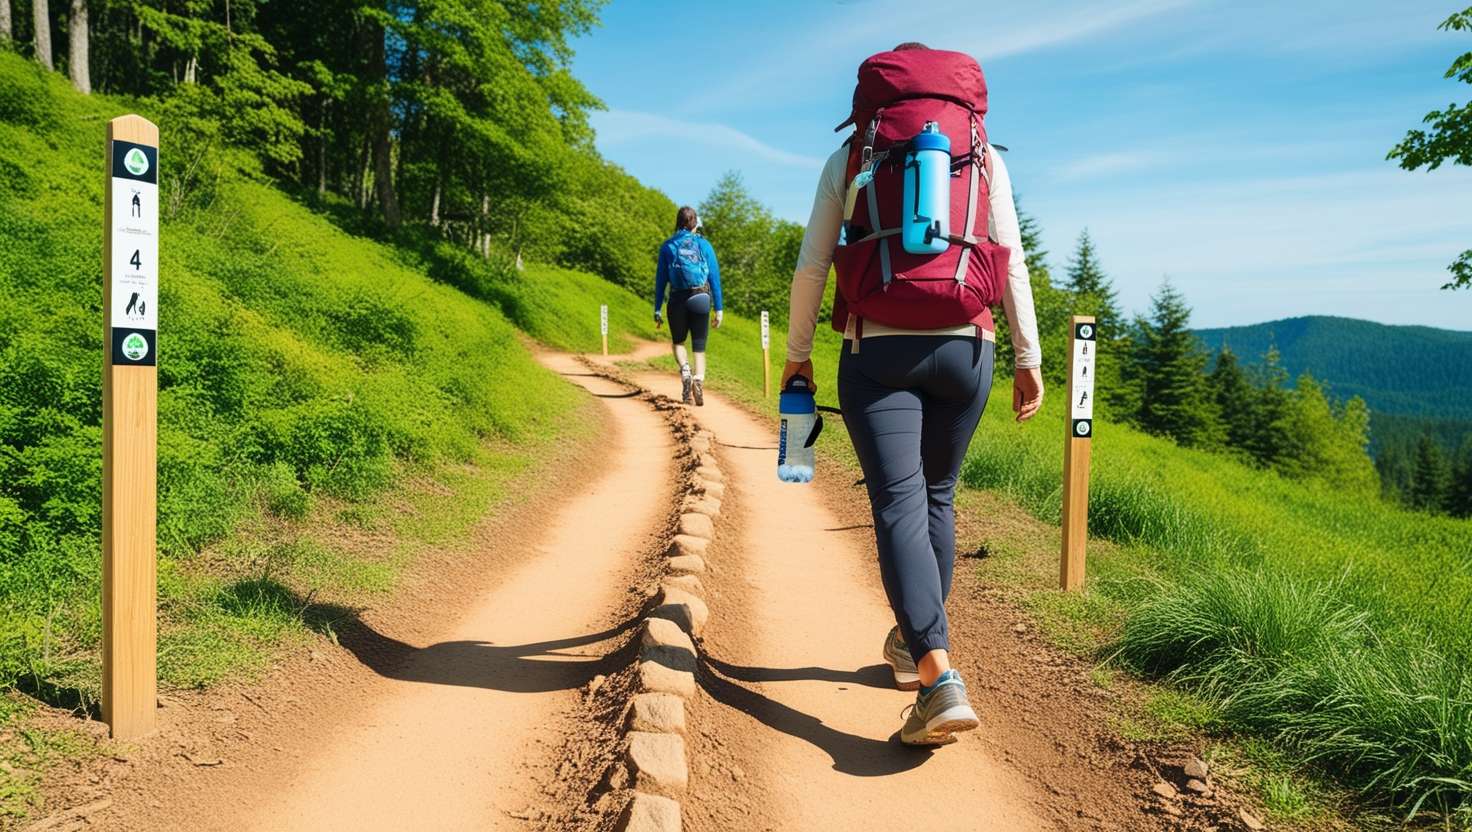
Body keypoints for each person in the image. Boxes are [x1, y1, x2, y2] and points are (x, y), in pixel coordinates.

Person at [782, 43, 1044, 746]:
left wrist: (798, 357)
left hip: (878, 347)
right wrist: (1028, 357)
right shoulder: (984, 155)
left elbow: (813, 262)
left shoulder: (854, 155)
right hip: (970, 347)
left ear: (873, 99)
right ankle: (913, 648)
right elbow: (1010, 258)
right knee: (937, 496)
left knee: (899, 500)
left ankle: (937, 677)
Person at [654, 206, 724, 405]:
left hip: (677, 299)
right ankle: (698, 379)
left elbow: (661, 281)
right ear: (695, 223)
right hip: (701, 298)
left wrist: (657, 308)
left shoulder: (667, 246)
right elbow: (714, 278)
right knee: (699, 348)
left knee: (678, 342)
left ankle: (685, 370)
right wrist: (719, 309)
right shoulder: (704, 245)